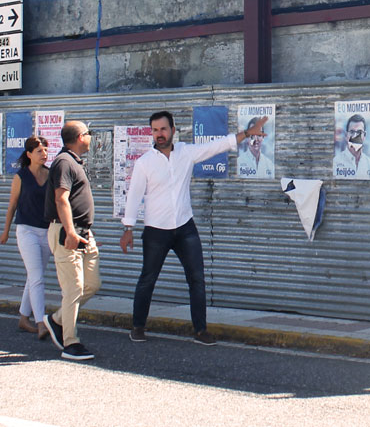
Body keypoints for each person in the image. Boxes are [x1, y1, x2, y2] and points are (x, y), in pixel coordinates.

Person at [119, 111, 268, 344]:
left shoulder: (186, 153)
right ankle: (138, 327)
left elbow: (217, 146)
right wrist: (128, 228)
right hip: (156, 231)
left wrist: (248, 133)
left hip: (184, 227)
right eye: (155, 130)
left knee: (197, 279)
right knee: (148, 279)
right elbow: (134, 195)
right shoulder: (144, 163)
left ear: (173, 130)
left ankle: (200, 330)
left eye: (163, 129)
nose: (159, 134)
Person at [41, 120, 101, 361]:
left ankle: (56, 320)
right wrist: (71, 232)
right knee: (73, 289)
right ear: (79, 137)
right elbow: (61, 200)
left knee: (92, 284)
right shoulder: (64, 162)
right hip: (68, 232)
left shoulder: (74, 161)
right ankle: (70, 342)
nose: (91, 137)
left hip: (83, 232)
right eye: (88, 133)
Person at [0, 136, 50, 340]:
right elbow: (12, 205)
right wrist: (6, 231)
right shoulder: (21, 177)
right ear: (29, 154)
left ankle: (23, 317)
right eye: (39, 151)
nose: (44, 154)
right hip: (26, 230)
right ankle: (40, 322)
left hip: (46, 231)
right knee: (37, 277)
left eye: (46, 150)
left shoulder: (51, 174)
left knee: (34, 276)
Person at [332, 114, 370, 179]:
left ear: (365, 136)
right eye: (352, 132)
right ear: (346, 135)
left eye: (359, 132)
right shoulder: (335, 163)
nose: (355, 136)